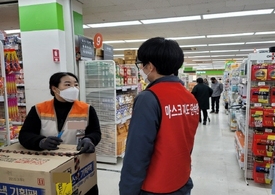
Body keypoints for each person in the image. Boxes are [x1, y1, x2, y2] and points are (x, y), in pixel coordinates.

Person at [119, 37, 199, 195]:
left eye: (141, 64)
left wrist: (127, 190)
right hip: (181, 179)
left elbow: (137, 152)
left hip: (155, 186)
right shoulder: (189, 97)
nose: (141, 68)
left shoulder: (149, 98)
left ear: (150, 66)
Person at [18, 72, 101, 195]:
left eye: (76, 85)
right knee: (63, 192)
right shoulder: (39, 109)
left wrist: (90, 139)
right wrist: (40, 142)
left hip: (80, 162)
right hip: (54, 165)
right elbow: (25, 134)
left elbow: (95, 132)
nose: (73, 88)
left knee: (85, 190)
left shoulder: (87, 109)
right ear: (54, 88)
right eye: (68, 84)